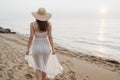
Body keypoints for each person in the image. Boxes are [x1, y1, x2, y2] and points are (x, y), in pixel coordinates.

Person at [25, 8, 63, 80]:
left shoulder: (32, 24)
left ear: (36, 16)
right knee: (44, 68)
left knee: (38, 68)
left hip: (36, 47)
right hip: (46, 47)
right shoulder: (49, 24)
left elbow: (31, 37)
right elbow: (50, 37)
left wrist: (28, 49)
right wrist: (53, 49)